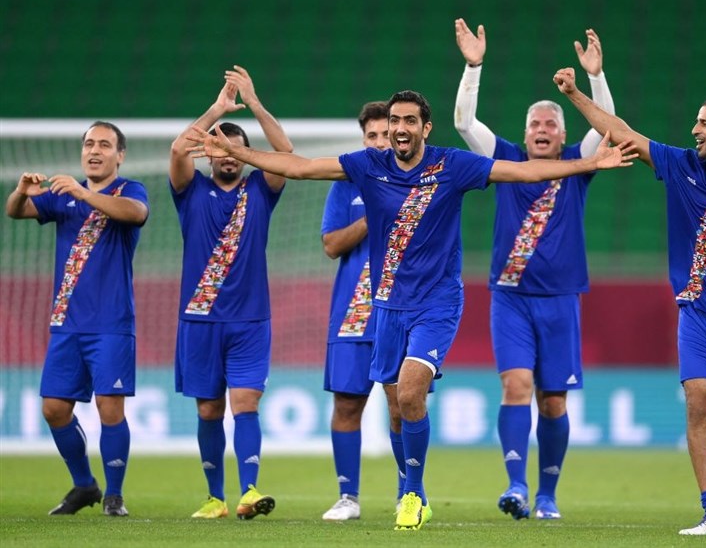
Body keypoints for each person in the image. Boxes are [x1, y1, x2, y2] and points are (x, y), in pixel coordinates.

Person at [186, 89, 636, 530]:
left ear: (425, 128)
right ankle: (409, 490)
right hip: (387, 305)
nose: (400, 128)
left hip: (437, 304)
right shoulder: (369, 165)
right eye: (395, 121)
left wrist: (587, 164)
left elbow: (520, 172)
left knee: (408, 393)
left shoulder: (452, 165)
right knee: (397, 407)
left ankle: (414, 494)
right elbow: (300, 167)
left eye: (409, 121)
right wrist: (240, 153)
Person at [554, 67, 706, 536]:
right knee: (698, 405)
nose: (694, 130)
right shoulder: (682, 166)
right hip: (697, 313)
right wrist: (575, 93)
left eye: (704, 123)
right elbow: (621, 132)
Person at [453, 20, 616, 521]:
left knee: (553, 402)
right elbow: (464, 123)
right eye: (535, 125)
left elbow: (608, 127)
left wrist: (595, 77)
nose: (542, 131)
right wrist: (473, 67)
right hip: (510, 298)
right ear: (524, 134)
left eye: (550, 125)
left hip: (561, 299)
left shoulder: (578, 164)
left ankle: (547, 496)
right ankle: (517, 486)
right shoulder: (504, 159)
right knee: (515, 386)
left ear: (563, 135)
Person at [5, 122, 149, 517]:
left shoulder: (129, 190)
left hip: (111, 323)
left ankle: (114, 495)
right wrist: (21, 192)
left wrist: (83, 193)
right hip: (66, 321)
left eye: (104, 144)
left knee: (109, 407)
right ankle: (85, 485)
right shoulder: (62, 195)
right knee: (53, 408)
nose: (94, 150)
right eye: (89, 144)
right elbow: (15, 211)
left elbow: (136, 214)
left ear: (120, 155)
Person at [169, 65, 293, 520]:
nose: (225, 154)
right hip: (199, 319)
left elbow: (285, 153)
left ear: (244, 156)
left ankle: (250, 491)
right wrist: (217, 110)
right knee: (208, 409)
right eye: (218, 147)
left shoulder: (261, 189)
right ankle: (215, 498)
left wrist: (254, 103)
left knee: (245, 404)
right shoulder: (190, 190)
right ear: (208, 153)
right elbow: (178, 149)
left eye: (233, 148)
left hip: (250, 320)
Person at [320, 101, 411, 520]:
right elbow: (331, 245)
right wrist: (373, 215)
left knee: (402, 406)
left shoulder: (419, 183)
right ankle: (348, 497)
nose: (378, 142)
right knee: (346, 405)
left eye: (385, 135)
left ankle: (408, 494)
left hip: (400, 311)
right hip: (353, 312)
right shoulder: (346, 184)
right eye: (371, 136)